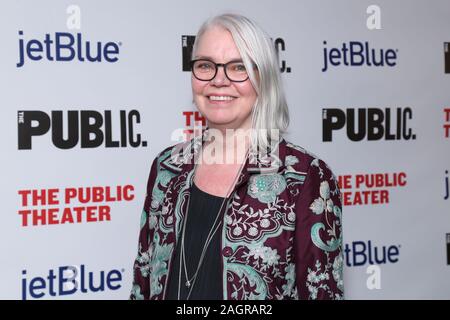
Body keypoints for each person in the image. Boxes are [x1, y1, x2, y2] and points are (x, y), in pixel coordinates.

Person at [130, 13, 343, 300]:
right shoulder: (167, 167)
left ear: (263, 78)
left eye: (238, 67)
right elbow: (143, 280)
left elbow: (321, 293)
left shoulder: (305, 178)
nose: (219, 80)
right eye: (205, 65)